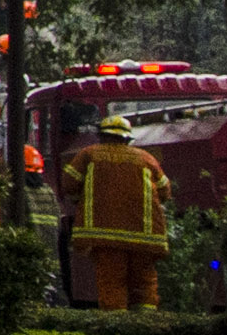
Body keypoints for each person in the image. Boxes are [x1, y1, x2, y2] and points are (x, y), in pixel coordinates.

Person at [58, 111, 172, 310]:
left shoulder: (88, 155)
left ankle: (117, 326)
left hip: (105, 236)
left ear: (102, 136)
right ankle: (147, 326)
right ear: (127, 138)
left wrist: (82, 201)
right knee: (145, 285)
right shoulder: (146, 159)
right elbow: (165, 191)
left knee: (112, 283)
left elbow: (69, 184)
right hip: (145, 238)